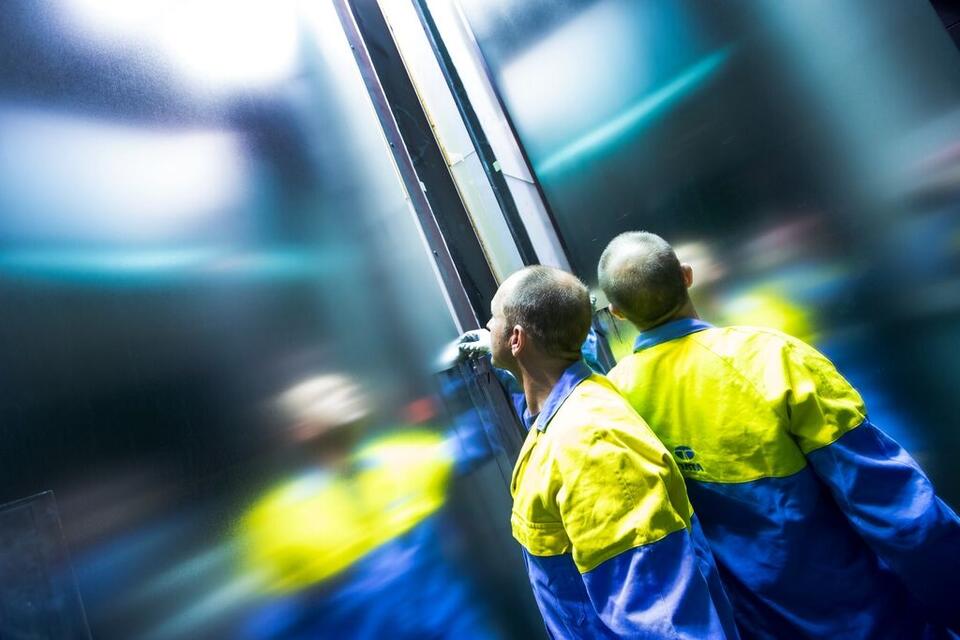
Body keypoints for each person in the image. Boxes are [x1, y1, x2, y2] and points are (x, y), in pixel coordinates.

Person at [598, 231, 960, 639]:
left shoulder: (614, 404)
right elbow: (898, 513)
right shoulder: (773, 358)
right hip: (869, 619)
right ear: (686, 276)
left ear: (618, 312)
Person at [485, 265, 739, 639]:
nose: (487, 328)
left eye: (494, 318)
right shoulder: (562, 419)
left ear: (516, 339)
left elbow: (662, 615)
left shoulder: (590, 444)